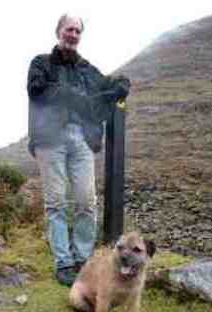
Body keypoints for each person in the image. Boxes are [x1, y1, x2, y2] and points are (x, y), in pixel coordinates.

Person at [27, 14, 130, 286]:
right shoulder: (41, 63)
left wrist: (123, 84)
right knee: (57, 203)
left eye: (77, 31)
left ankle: (82, 260)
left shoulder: (87, 69)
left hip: (82, 139)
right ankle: (63, 263)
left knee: (86, 201)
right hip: (50, 138)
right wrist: (72, 96)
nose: (73, 34)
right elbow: (36, 90)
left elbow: (110, 83)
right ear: (58, 31)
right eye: (68, 29)